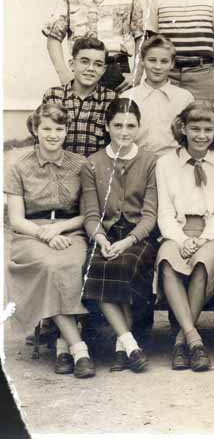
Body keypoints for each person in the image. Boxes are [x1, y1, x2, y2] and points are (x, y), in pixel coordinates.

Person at [4, 104, 94, 378]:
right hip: (31, 232)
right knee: (49, 266)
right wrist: (44, 233)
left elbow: (88, 213)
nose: (53, 135)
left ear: (66, 131)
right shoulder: (19, 166)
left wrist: (61, 230)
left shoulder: (81, 164)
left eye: (59, 128)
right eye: (46, 129)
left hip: (70, 230)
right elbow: (16, 219)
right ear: (35, 129)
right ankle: (78, 348)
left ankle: (61, 347)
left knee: (73, 265)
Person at [80, 98, 158, 373]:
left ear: (138, 127)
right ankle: (128, 344)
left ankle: (120, 346)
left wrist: (127, 241)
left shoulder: (150, 161)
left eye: (130, 126)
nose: (124, 132)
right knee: (97, 266)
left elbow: (149, 216)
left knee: (122, 264)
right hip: (106, 234)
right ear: (106, 126)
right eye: (117, 125)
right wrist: (101, 239)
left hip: (138, 237)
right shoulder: (92, 164)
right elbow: (91, 215)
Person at [154, 102, 214, 372]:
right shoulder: (165, 163)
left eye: (208, 129)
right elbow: (163, 213)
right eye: (194, 128)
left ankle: (179, 341)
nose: (201, 135)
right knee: (166, 260)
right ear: (182, 128)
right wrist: (182, 240)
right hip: (176, 232)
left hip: (211, 235)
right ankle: (194, 339)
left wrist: (203, 239)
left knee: (203, 263)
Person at [42, 36, 116, 156]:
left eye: (98, 64)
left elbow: (114, 145)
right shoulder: (54, 96)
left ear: (104, 69)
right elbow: (41, 139)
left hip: (94, 171)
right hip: (59, 169)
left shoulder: (111, 99)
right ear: (72, 64)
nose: (91, 69)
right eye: (84, 61)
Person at [121, 34, 194, 156]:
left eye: (164, 61)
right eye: (152, 60)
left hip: (173, 163)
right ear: (143, 61)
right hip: (136, 162)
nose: (157, 67)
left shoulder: (184, 98)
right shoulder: (128, 97)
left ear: (172, 64)